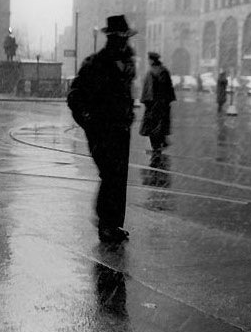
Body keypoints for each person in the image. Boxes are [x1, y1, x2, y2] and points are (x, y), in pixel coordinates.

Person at [67, 15, 136, 244]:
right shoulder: (96, 64)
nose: (123, 41)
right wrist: (90, 121)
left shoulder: (127, 64)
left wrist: (127, 115)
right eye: (119, 37)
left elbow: (125, 96)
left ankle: (113, 224)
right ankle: (105, 223)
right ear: (111, 38)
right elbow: (75, 95)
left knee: (118, 178)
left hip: (121, 130)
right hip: (102, 130)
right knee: (110, 175)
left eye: (125, 37)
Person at [139, 52, 176, 154]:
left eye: (149, 60)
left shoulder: (152, 71)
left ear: (152, 60)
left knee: (152, 126)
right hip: (162, 104)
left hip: (153, 104)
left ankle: (156, 148)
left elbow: (149, 89)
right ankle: (162, 143)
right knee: (160, 125)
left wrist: (147, 101)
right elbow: (168, 88)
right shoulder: (164, 70)